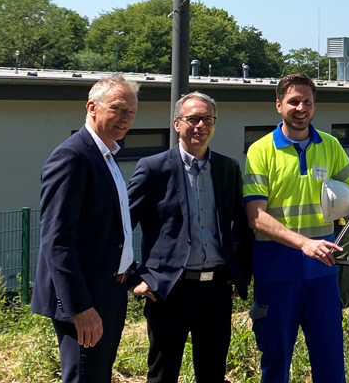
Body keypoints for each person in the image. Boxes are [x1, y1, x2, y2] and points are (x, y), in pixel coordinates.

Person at [243, 74, 349, 383]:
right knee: (275, 365)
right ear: (278, 105)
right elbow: (256, 216)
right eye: (294, 101)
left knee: (330, 364)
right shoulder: (260, 151)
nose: (301, 108)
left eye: (307, 102)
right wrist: (304, 244)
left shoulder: (330, 145)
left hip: (323, 277)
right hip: (276, 275)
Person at [127, 91, 254, 383]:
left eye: (207, 120)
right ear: (177, 124)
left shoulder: (227, 168)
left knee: (212, 374)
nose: (200, 126)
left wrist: (240, 271)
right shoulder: (153, 168)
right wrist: (136, 277)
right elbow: (123, 226)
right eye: (193, 119)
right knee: (162, 374)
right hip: (169, 290)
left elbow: (242, 225)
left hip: (216, 291)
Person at [31, 73, 141, 383]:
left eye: (131, 112)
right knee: (83, 377)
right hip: (86, 298)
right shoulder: (72, 157)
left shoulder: (106, 155)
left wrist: (131, 277)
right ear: (92, 106)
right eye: (118, 108)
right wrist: (80, 307)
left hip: (110, 291)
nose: (126, 118)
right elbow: (57, 241)